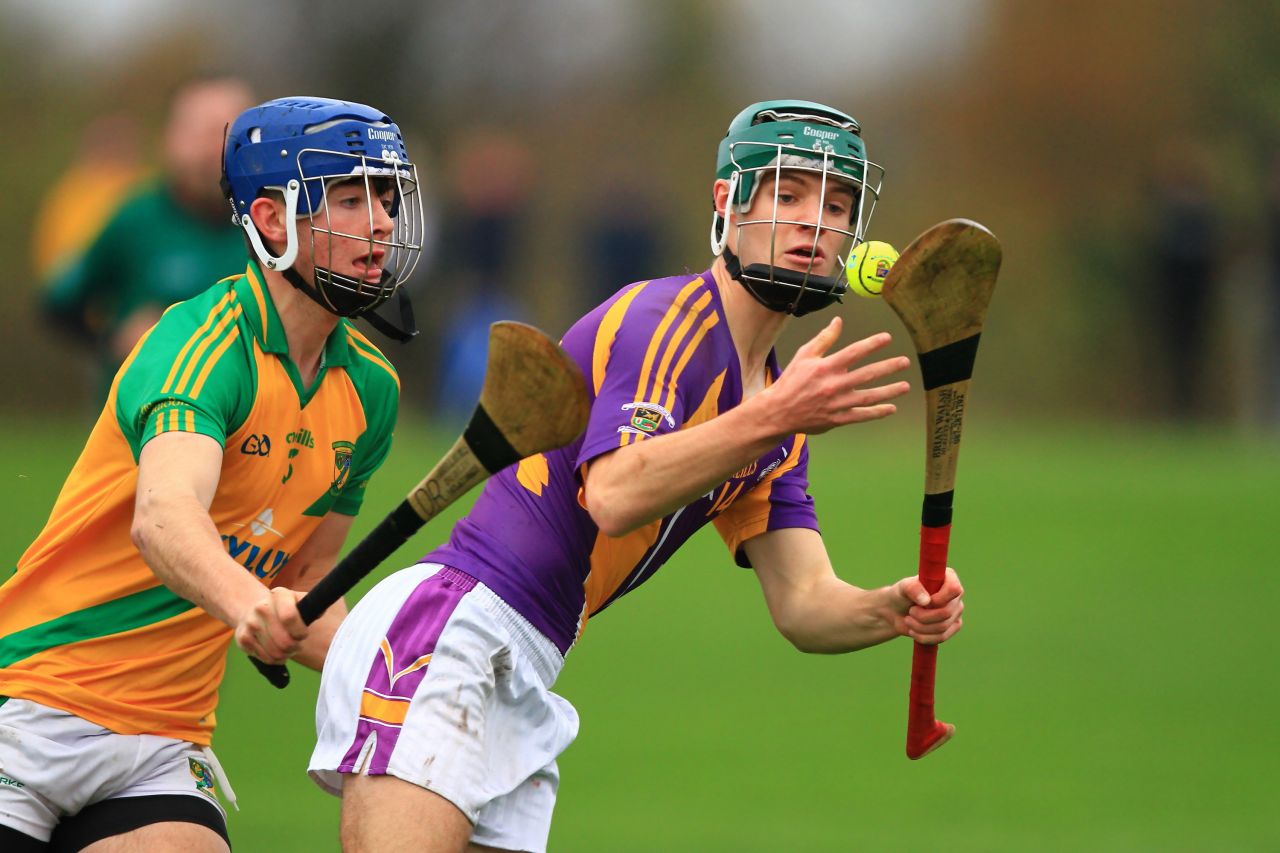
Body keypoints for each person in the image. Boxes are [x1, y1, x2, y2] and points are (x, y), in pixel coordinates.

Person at [310, 99, 967, 852]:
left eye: (838, 203)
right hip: (451, 627)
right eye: (789, 195)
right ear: (727, 203)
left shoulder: (773, 411)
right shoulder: (667, 323)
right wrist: (772, 416)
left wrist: (895, 609)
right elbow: (615, 493)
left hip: (528, 661)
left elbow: (804, 602)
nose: (817, 223)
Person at [0, 96, 427, 852]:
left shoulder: (370, 391)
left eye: (387, 198)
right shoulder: (200, 344)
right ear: (270, 218)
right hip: (33, 705)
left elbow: (306, 578)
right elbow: (163, 515)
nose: (383, 223)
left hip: (162, 742)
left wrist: (409, 670)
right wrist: (245, 603)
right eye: (351, 198)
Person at [40, 76, 256, 404]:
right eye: (205, 131)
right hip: (143, 429)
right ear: (171, 138)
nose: (218, 147)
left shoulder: (281, 224)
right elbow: (60, 302)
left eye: (233, 132)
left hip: (255, 433)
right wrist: (113, 337)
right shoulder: (135, 219)